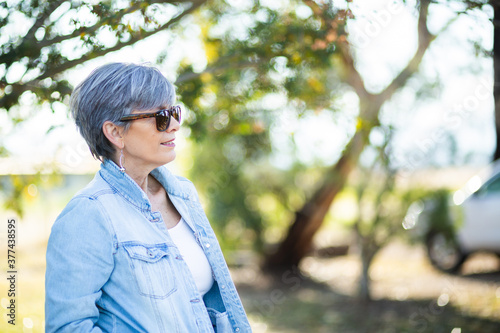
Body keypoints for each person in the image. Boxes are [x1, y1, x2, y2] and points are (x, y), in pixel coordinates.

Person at [45, 62, 252, 333]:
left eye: (175, 112)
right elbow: (68, 328)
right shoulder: (88, 214)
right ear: (115, 132)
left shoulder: (183, 193)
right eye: (161, 117)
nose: (175, 126)